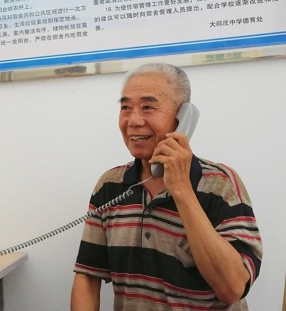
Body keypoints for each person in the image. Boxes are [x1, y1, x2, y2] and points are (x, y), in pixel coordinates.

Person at [70, 63, 262, 310]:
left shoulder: (221, 185)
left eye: (148, 107)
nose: (133, 120)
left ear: (183, 118)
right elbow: (88, 277)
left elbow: (232, 288)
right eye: (126, 107)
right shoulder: (110, 186)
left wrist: (182, 189)